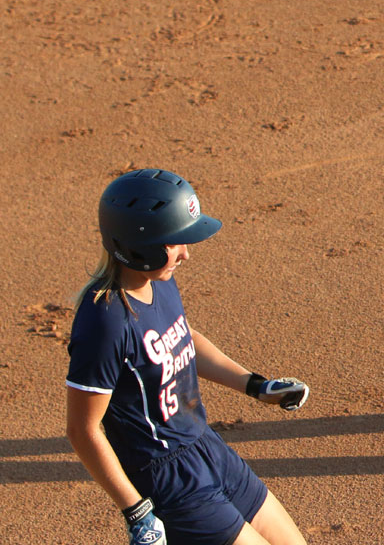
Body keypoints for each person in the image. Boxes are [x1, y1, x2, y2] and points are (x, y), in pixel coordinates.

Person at [66, 168, 312, 545]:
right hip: (168, 482)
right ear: (138, 246)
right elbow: (83, 431)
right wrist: (136, 512)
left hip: (207, 448)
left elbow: (184, 338)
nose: (186, 253)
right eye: (174, 242)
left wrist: (256, 385)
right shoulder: (106, 321)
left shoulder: (157, 282)